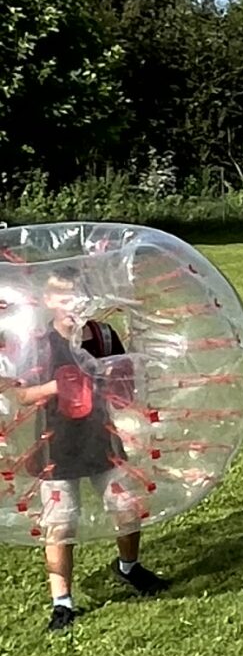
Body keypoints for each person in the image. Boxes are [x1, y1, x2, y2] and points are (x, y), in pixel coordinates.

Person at [3, 266, 166, 632]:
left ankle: (129, 568)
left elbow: (127, 385)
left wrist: (114, 385)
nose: (71, 303)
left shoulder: (104, 337)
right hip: (55, 447)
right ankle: (62, 602)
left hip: (103, 439)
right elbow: (18, 394)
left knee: (126, 509)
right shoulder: (40, 345)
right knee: (60, 525)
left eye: (76, 295)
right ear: (48, 301)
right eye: (61, 296)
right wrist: (54, 388)